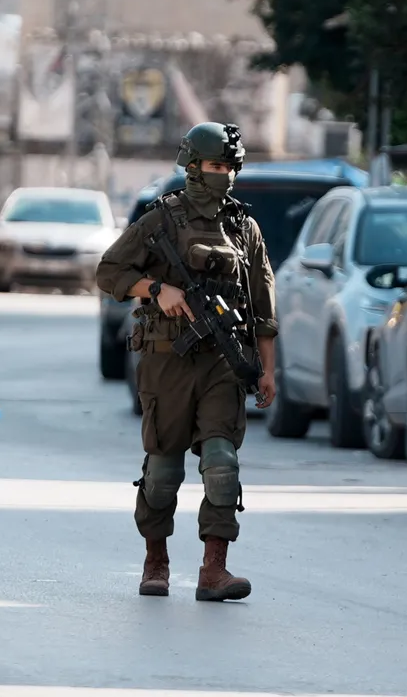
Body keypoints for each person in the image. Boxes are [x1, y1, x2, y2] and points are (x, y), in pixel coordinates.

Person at [95, 122, 278, 602]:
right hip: (167, 361)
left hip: (223, 361)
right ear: (193, 167)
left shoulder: (244, 228)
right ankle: (156, 562)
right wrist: (157, 289)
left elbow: (263, 307)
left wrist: (267, 368)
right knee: (163, 471)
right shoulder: (161, 220)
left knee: (222, 462)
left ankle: (213, 569)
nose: (224, 175)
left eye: (230, 167)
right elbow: (109, 271)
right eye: (215, 166)